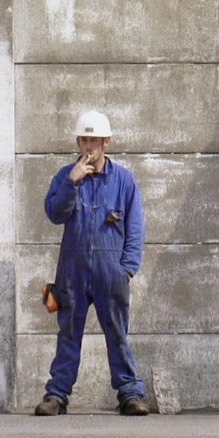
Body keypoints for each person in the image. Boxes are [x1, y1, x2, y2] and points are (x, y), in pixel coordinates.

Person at [35, 110, 148, 416]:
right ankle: (57, 395)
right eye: (84, 139)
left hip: (111, 272)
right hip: (73, 270)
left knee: (117, 333)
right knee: (68, 334)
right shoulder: (65, 176)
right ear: (78, 140)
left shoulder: (124, 180)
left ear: (106, 142)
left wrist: (127, 269)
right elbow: (54, 214)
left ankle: (129, 394)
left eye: (95, 140)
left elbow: (135, 228)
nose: (89, 146)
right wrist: (72, 183)